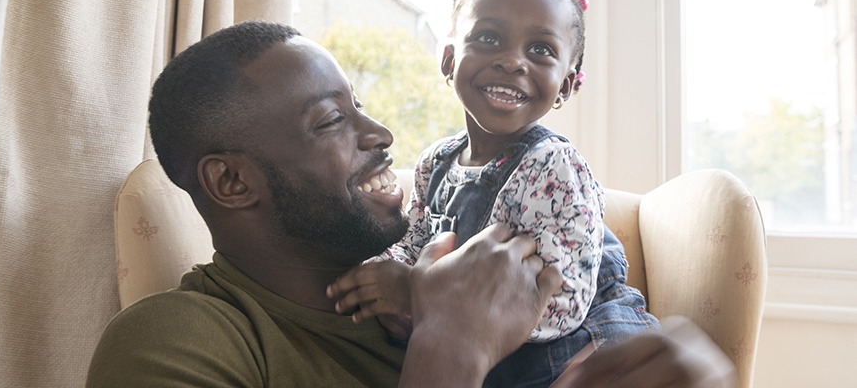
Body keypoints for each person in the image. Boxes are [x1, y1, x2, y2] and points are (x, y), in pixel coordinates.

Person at [86, 20, 735, 387]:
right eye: (329, 121)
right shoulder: (181, 341)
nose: (381, 136)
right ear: (231, 182)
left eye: (360, 107)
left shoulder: (457, 265)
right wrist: (451, 349)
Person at [328, 0, 658, 387]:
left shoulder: (554, 165)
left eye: (540, 50)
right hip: (490, 352)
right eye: (488, 38)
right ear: (449, 61)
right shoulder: (436, 162)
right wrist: (378, 275)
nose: (512, 61)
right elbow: (415, 241)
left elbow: (564, 301)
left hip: (586, 344)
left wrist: (418, 294)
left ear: (566, 86)